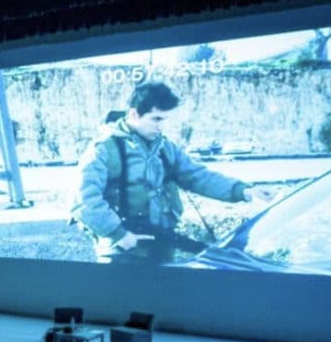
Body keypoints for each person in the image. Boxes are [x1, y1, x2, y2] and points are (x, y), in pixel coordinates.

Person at [67, 81, 274, 264]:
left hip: (161, 245)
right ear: (133, 114)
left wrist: (243, 191)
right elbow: (83, 200)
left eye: (164, 120)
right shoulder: (104, 149)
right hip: (121, 250)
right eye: (156, 119)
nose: (161, 126)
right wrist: (117, 233)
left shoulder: (165, 148)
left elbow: (197, 176)